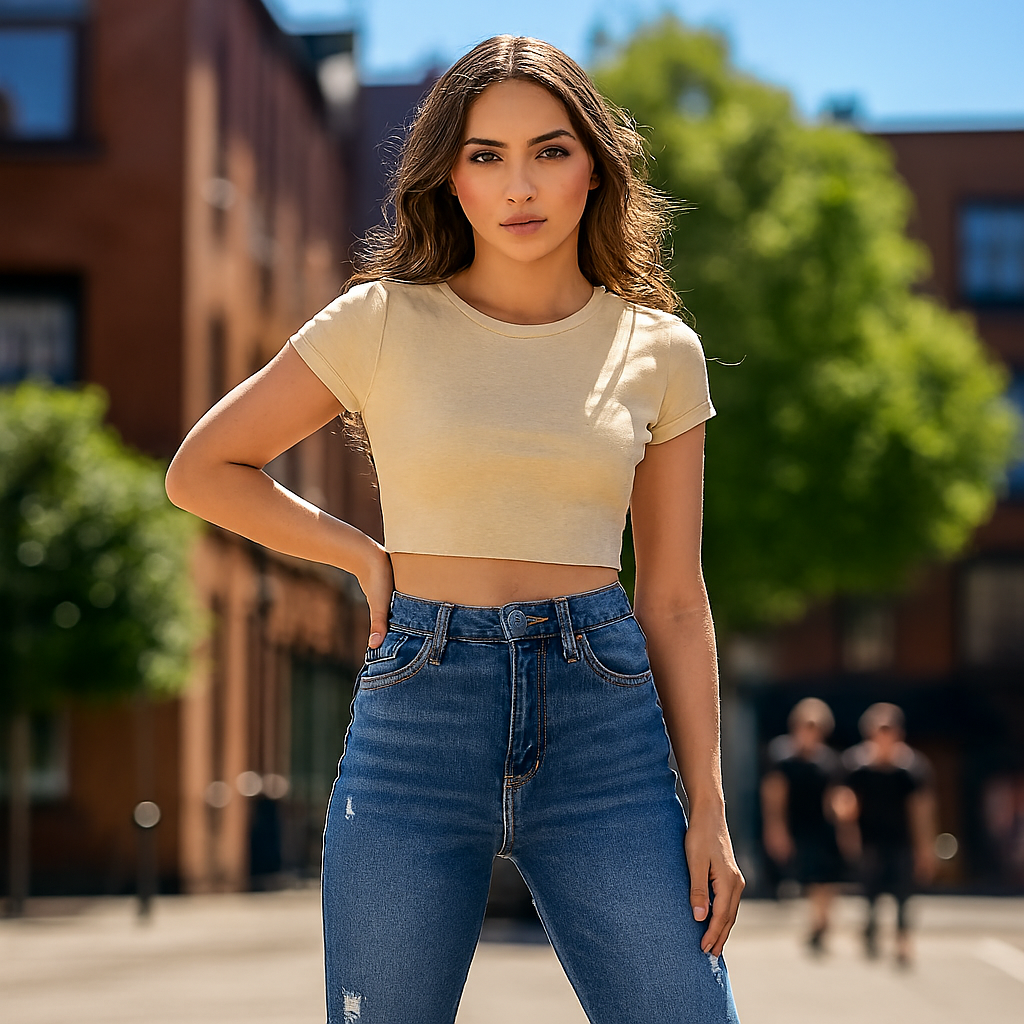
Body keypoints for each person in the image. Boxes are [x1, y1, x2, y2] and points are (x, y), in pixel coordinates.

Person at [165, 35, 744, 1024]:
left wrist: (710, 808)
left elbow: (675, 597)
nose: (518, 185)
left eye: (549, 151)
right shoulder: (380, 320)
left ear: (595, 168)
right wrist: (359, 555)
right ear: (451, 176)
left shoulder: (658, 351)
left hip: (602, 716)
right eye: (486, 155)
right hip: (418, 709)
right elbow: (202, 469)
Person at [834, 702, 937, 968]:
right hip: (870, 838)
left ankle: (903, 938)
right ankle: (870, 932)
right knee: (870, 889)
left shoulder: (911, 768)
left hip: (901, 838)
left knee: (903, 891)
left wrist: (925, 848)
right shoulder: (857, 766)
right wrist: (847, 833)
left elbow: (922, 810)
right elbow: (844, 802)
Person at [761, 697, 844, 954]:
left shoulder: (829, 761)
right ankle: (818, 921)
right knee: (810, 876)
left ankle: (822, 922)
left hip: (822, 825)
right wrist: (776, 828)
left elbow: (835, 797)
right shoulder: (782, 757)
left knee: (826, 878)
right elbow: (773, 795)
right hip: (797, 824)